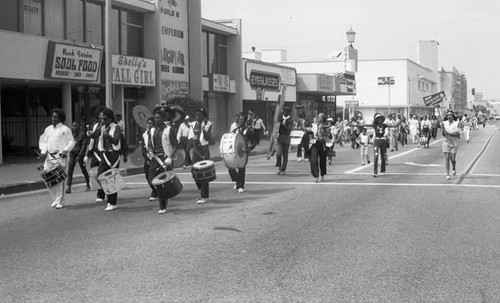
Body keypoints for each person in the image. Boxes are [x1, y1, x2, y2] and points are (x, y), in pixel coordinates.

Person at [39, 108, 75, 209]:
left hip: (60, 157)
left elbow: (71, 142)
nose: (53, 119)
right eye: (52, 117)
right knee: (48, 177)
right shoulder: (48, 129)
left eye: (56, 117)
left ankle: (60, 200)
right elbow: (43, 142)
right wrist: (42, 152)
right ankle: (55, 198)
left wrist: (65, 150)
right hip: (49, 157)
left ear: (61, 119)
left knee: (60, 179)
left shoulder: (65, 129)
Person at [88, 108, 123, 211]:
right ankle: (108, 192)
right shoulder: (102, 127)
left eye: (105, 119)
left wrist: (108, 136)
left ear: (111, 119)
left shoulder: (116, 127)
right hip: (104, 154)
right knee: (100, 176)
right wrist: (90, 134)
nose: (103, 121)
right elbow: (95, 135)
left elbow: (116, 141)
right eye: (102, 119)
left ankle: (112, 202)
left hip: (113, 155)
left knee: (111, 178)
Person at [147, 107, 178, 213]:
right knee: (151, 180)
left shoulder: (169, 129)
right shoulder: (151, 130)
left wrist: (170, 157)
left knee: (162, 182)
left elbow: (175, 145)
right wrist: (150, 150)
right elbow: (150, 144)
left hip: (165, 158)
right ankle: (164, 195)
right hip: (155, 158)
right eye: (155, 118)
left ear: (163, 118)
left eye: (158, 118)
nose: (156, 120)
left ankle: (162, 206)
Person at [227, 112, 257, 193]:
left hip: (243, 152)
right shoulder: (235, 130)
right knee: (230, 166)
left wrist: (249, 149)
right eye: (239, 119)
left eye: (241, 119)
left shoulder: (249, 131)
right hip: (234, 151)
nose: (239, 121)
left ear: (245, 121)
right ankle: (237, 180)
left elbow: (254, 142)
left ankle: (240, 186)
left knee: (241, 168)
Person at [188, 108, 213, 204]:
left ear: (203, 116)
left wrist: (203, 129)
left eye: (199, 115)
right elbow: (191, 138)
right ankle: (200, 187)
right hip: (196, 150)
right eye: (196, 115)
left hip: (204, 149)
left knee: (204, 173)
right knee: (194, 172)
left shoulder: (208, 124)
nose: (198, 117)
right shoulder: (193, 124)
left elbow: (208, 138)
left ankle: (203, 196)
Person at [65, 121, 91, 194]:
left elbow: (84, 146)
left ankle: (88, 183)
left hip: (80, 154)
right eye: (73, 126)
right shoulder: (71, 134)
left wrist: (80, 155)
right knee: (70, 170)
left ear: (79, 127)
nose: (74, 127)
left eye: (75, 126)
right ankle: (68, 186)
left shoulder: (82, 135)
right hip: (72, 153)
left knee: (83, 169)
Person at [308, 113, 330, 182]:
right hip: (314, 143)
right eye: (319, 117)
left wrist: (326, 132)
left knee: (322, 160)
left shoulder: (326, 126)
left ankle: (322, 174)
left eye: (321, 117)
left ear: (323, 119)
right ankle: (315, 175)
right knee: (314, 159)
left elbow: (328, 135)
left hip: (322, 143)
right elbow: (309, 131)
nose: (319, 118)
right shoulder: (314, 125)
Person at [141, 117, 157, 201]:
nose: (149, 125)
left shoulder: (156, 133)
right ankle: (154, 189)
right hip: (148, 156)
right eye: (148, 123)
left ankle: (155, 192)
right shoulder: (145, 134)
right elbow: (143, 147)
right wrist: (146, 158)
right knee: (147, 175)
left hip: (156, 157)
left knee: (154, 175)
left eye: (151, 123)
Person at [441, 110, 461, 180]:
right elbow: (443, 134)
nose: (449, 116)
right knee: (447, 158)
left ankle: (454, 168)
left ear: (453, 116)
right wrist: (443, 129)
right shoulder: (444, 123)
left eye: (450, 115)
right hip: (446, 142)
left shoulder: (457, 123)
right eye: (448, 115)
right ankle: (447, 173)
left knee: (453, 159)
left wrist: (449, 133)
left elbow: (457, 133)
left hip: (454, 142)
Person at [276, 106, 293, 175]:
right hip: (280, 138)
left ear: (289, 112)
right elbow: (276, 127)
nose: (285, 112)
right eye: (284, 111)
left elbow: (288, 129)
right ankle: (279, 166)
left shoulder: (290, 120)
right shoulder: (280, 119)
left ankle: (283, 169)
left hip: (286, 138)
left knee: (285, 155)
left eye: (286, 111)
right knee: (278, 153)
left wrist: (281, 124)